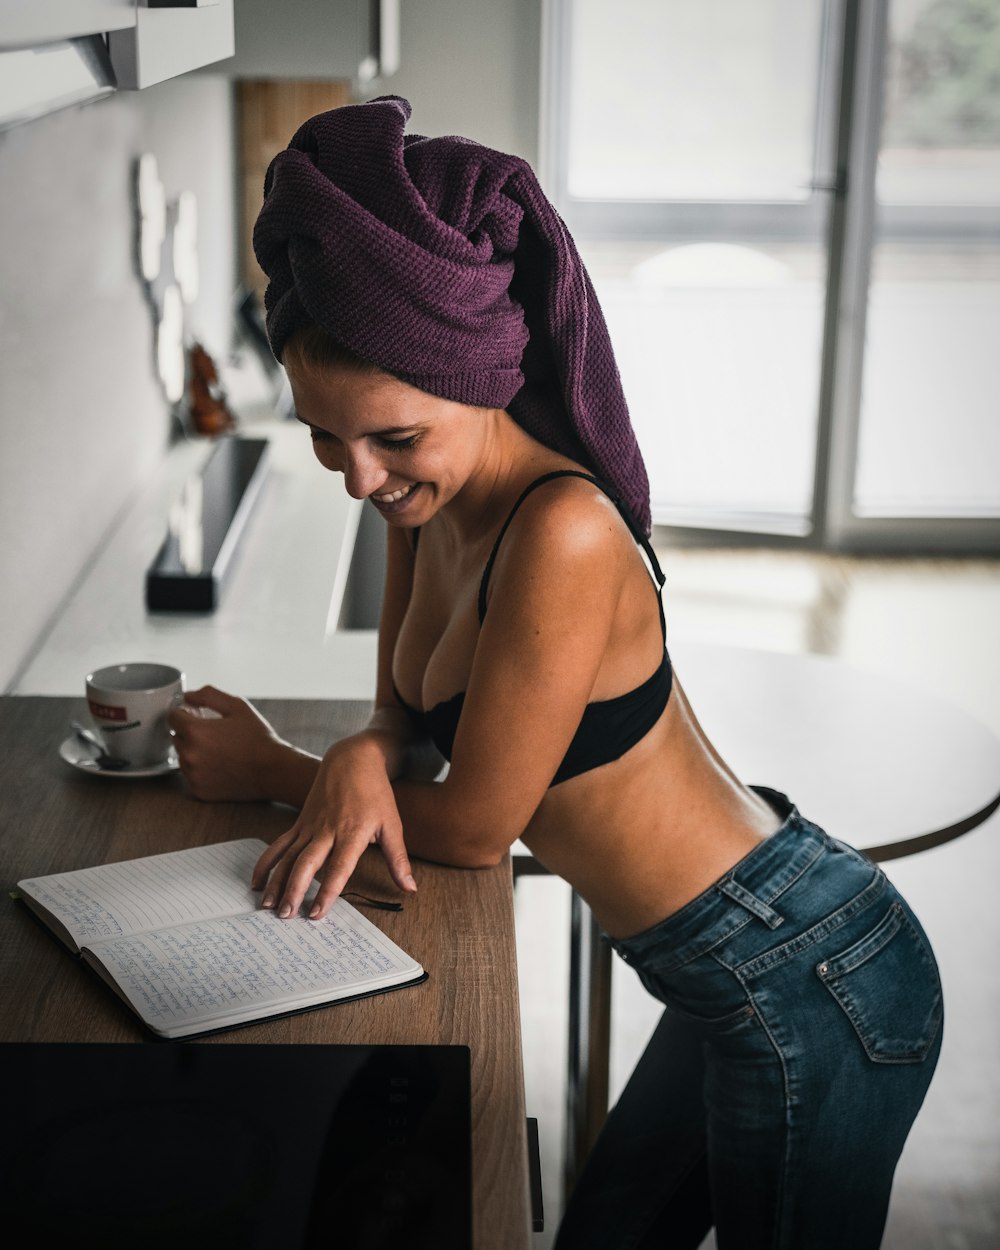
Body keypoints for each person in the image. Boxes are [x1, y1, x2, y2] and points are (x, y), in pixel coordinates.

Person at [169, 97, 943, 1249]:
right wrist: (353, 752)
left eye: (392, 438)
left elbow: (479, 827)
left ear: (479, 380)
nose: (358, 478)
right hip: (726, 972)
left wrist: (274, 767)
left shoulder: (561, 531)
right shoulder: (420, 498)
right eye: (328, 436)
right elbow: (401, 715)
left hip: (807, 969)